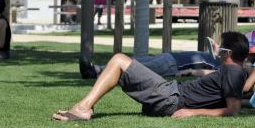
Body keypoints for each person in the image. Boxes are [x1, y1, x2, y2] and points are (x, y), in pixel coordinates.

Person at [53, 31, 248, 121]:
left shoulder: (233, 71)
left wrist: (193, 112)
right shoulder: (233, 71)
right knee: (120, 63)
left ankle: (83, 108)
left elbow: (232, 109)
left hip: (171, 98)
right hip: (172, 94)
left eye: (221, 49)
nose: (218, 52)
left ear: (228, 53)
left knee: (120, 60)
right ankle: (84, 106)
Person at [84, 50, 220, 79]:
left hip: (173, 65)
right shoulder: (218, 58)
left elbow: (213, 73)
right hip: (170, 57)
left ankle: (95, 72)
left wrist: (189, 71)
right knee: (136, 62)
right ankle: (95, 69)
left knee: (134, 68)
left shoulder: (222, 67)